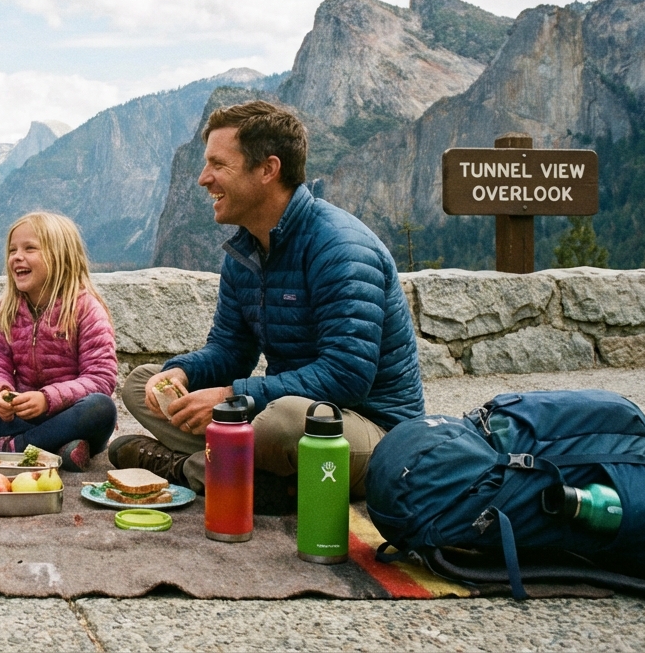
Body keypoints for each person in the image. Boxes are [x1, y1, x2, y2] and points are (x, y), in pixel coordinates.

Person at [109, 100, 423, 505]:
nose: (204, 179)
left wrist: (231, 397)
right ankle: (246, 473)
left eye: (218, 165)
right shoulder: (245, 252)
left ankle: (190, 468)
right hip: (284, 408)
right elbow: (229, 350)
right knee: (143, 383)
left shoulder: (340, 247)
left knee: (284, 422)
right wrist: (181, 374)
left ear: (267, 169)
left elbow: (347, 375)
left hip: (369, 429)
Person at [0, 212, 118, 473]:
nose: (17, 257)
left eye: (29, 248)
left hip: (69, 414)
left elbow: (101, 379)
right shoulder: (5, 310)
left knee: (101, 408)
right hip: (21, 413)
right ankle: (57, 447)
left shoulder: (85, 308)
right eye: (12, 250)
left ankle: (11, 448)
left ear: (60, 257)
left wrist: (48, 400)